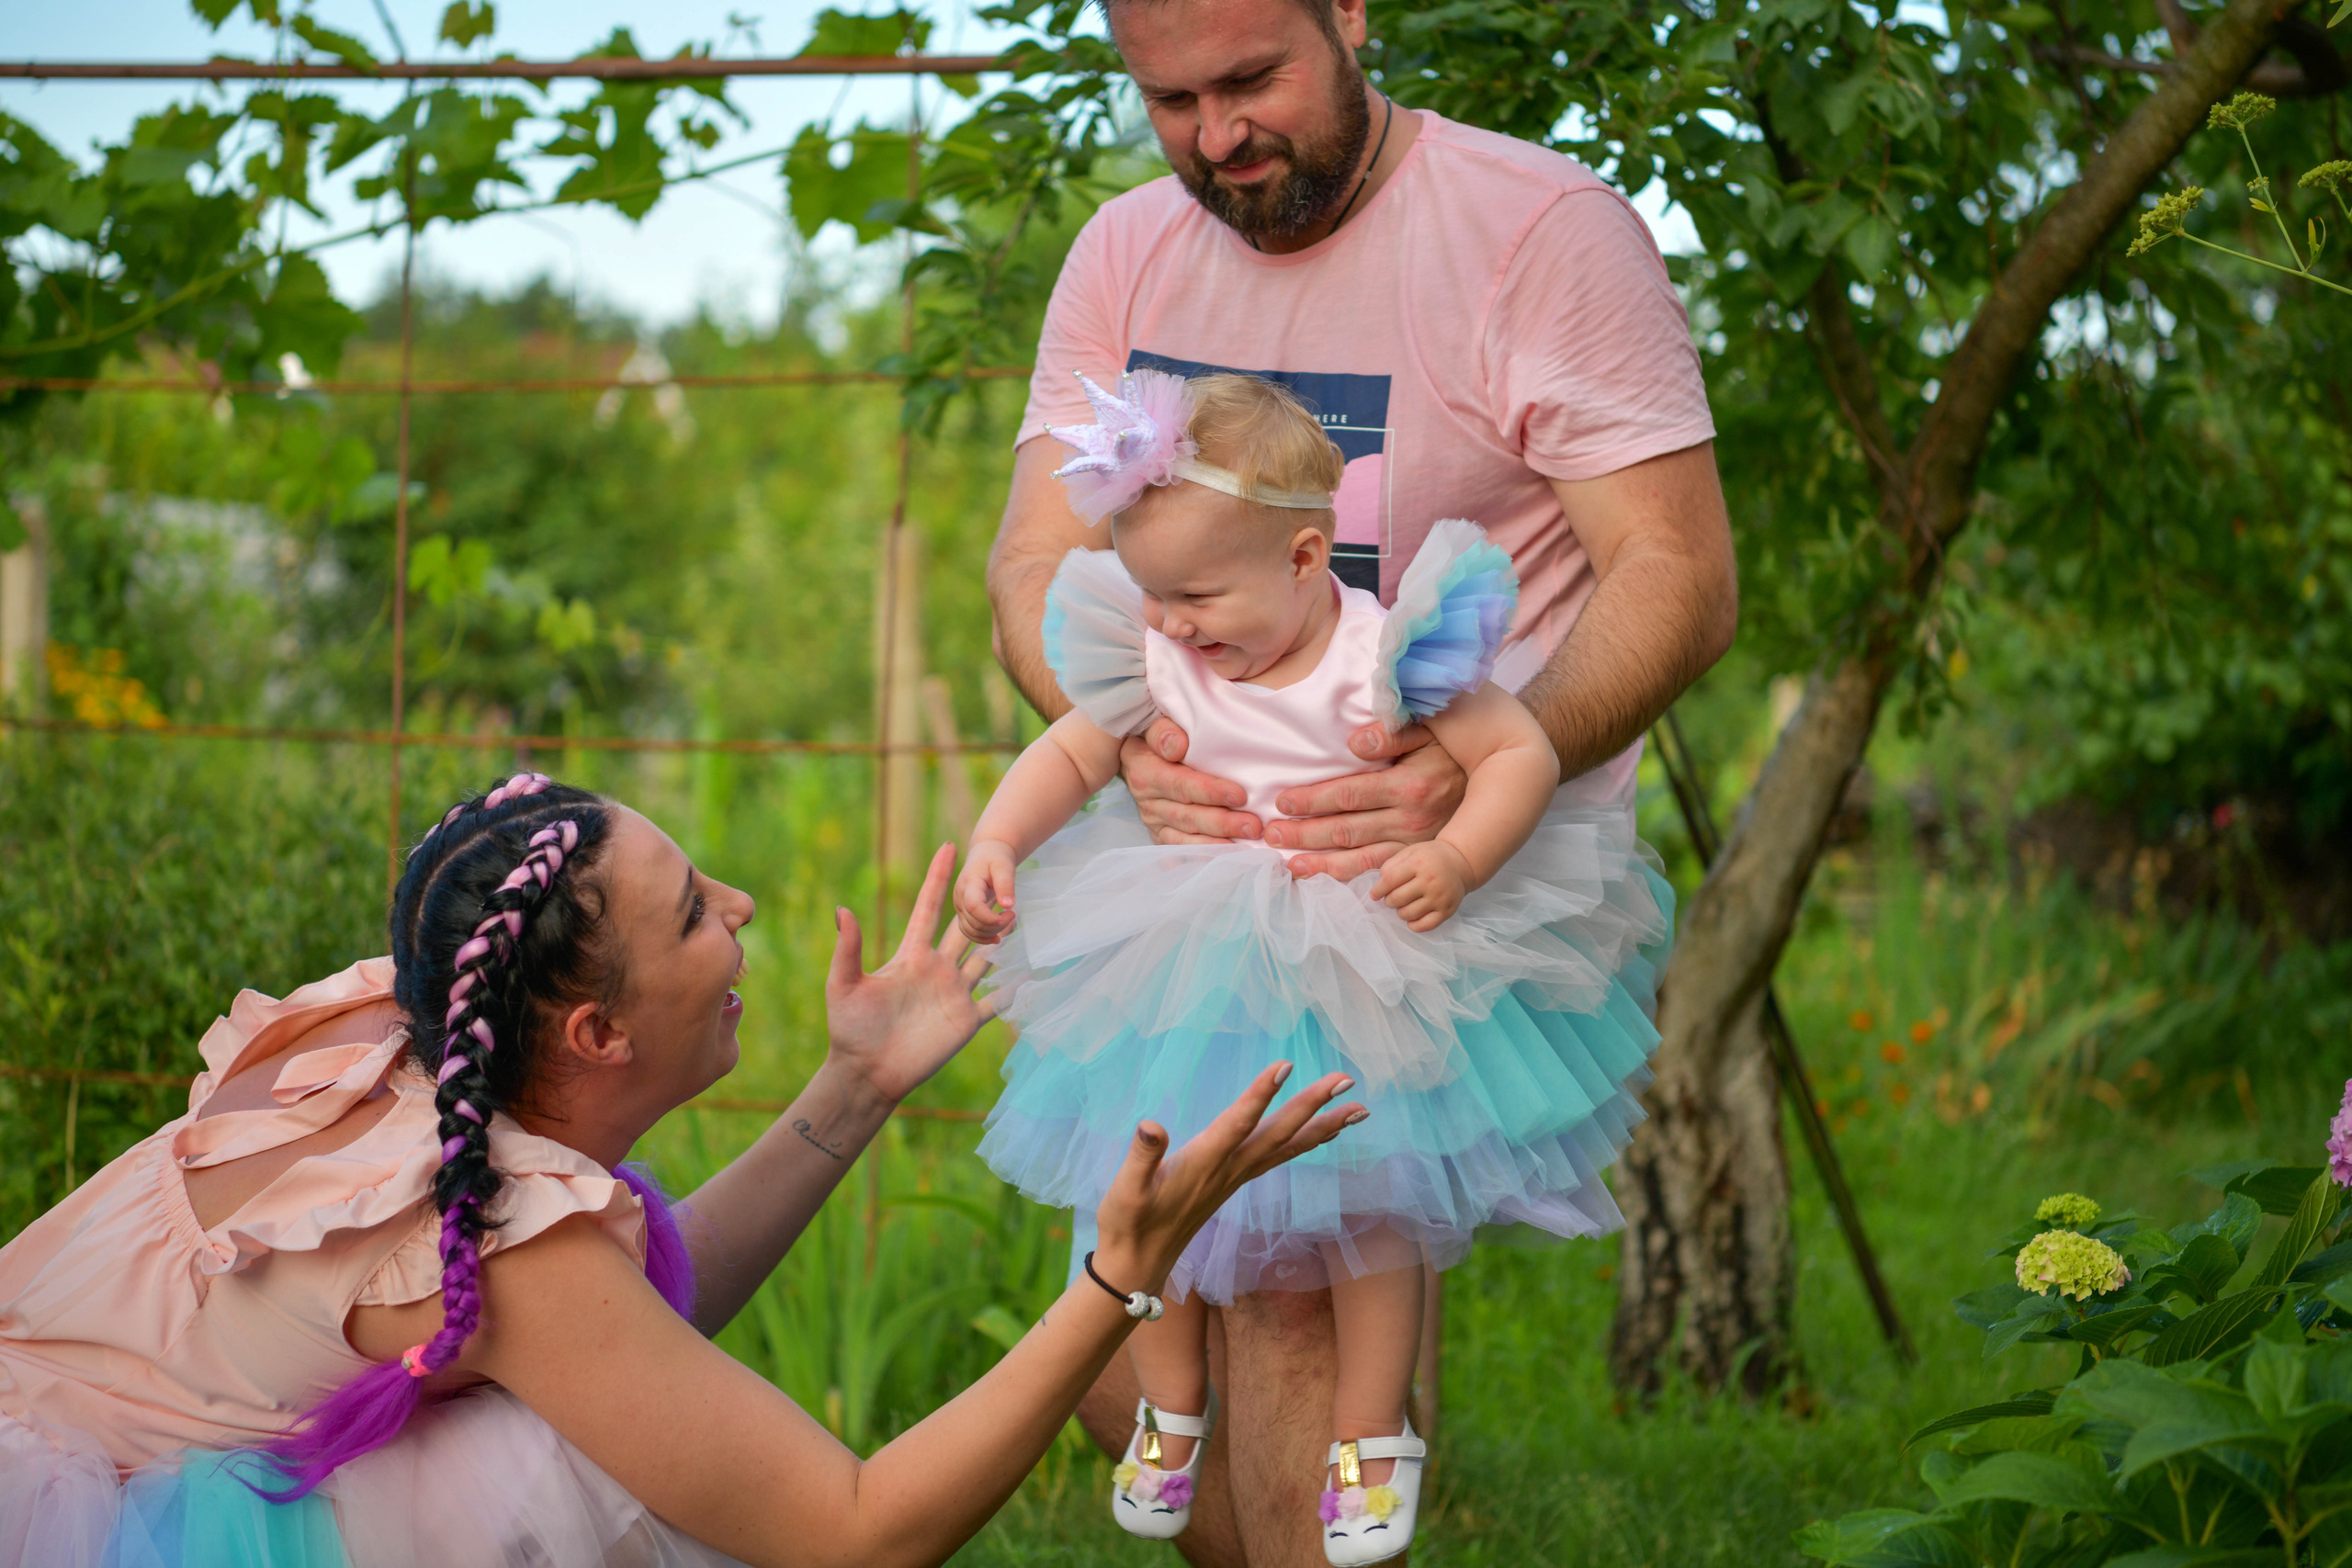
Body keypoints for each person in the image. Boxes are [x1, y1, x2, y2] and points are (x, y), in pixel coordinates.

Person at [983, 0, 1736, 1561]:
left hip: (1435, 895)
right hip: (1191, 888)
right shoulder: (1123, 254)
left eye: (1251, 78)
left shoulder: (1538, 232)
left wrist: (1465, 781)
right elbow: (1033, 568)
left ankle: (1348, 1471)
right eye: (1169, 100)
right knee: (1120, 1333)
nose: (1215, 137)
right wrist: (1136, 738)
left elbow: (1677, 572)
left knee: (1294, 1284)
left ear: (1350, 12)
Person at [0, 771, 1364, 1568]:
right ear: (596, 1035)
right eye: (697, 911)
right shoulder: (512, 1250)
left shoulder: (399, 1034)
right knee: (548, 1468)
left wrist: (858, 1083)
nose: (744, 908)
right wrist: (1122, 1274)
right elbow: (856, 1533)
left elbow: (624, 1337)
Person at [958, 372, 1668, 1566]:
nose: (1173, 625)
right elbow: (1069, 756)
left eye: (1197, 597)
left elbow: (1519, 756)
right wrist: (996, 840)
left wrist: (1458, 856)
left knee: (1374, 1211)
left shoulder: (1385, 655)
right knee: (1156, 1187)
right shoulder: (1161, 655)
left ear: (1303, 557)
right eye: (1152, 595)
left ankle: (1371, 1437)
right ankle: (1170, 1410)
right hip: (1189, 970)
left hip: (1360, 972)